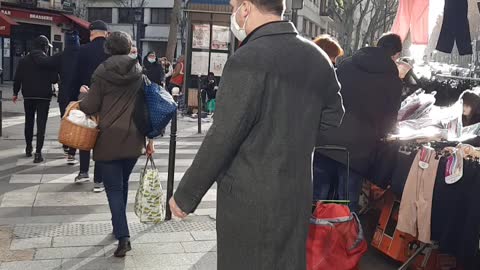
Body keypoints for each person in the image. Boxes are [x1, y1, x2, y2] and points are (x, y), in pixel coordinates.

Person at [168, 0, 344, 268]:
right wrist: (295, 137)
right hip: (296, 191)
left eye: (233, 6)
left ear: (246, 8)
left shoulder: (248, 58)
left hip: (248, 194)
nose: (233, 13)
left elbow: (224, 135)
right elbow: (333, 117)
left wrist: (186, 195)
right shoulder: (318, 57)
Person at [79, 31, 154, 257]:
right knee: (121, 185)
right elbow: (147, 106)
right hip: (134, 138)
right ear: (129, 47)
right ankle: (117, 226)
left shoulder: (101, 72)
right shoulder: (140, 72)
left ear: (108, 48)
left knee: (113, 188)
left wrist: (82, 98)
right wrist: (150, 139)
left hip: (109, 137)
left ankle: (123, 236)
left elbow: (91, 106)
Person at [314, 33, 403, 212]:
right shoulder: (393, 80)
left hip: (325, 141)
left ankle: (312, 237)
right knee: (346, 206)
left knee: (317, 200)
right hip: (357, 151)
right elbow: (389, 122)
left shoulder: (347, 64)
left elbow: (326, 96)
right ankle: (342, 240)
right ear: (396, 55)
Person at [71, 20, 110, 192]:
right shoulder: (111, 52)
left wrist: (77, 90)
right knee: (101, 138)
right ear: (106, 33)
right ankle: (99, 180)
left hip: (86, 96)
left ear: (91, 33)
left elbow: (74, 75)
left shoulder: (83, 50)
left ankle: (83, 171)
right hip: (107, 100)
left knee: (84, 132)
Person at [35, 31, 81, 164]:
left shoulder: (61, 56)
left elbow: (45, 62)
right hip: (79, 94)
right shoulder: (82, 54)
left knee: (66, 120)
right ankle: (73, 149)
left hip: (65, 94)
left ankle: (66, 144)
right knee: (78, 121)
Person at [12, 35, 58, 163]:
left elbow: (17, 78)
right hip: (44, 97)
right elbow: (54, 79)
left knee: (29, 121)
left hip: (29, 95)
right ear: (44, 47)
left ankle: (28, 148)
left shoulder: (23, 60)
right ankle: (38, 153)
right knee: (41, 125)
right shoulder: (48, 60)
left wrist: (15, 92)